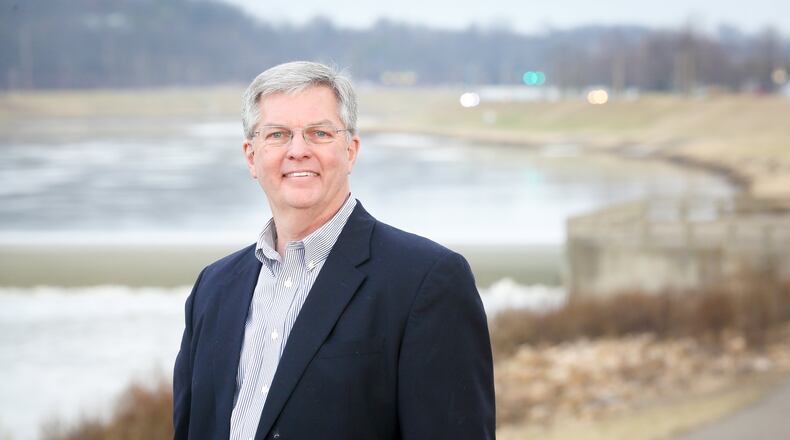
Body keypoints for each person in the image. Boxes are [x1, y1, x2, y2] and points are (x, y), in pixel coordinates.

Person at [173, 61, 495, 440]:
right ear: (251, 157)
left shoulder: (427, 280)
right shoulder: (213, 287)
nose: (298, 150)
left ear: (351, 151)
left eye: (319, 133)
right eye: (277, 135)